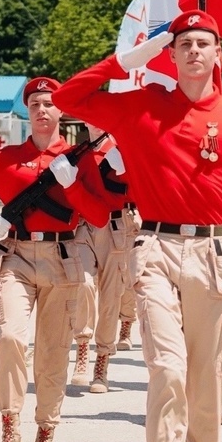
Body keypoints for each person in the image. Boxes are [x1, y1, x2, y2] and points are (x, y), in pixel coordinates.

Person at [53, 12, 222, 442]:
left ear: (219, 55)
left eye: (204, 44)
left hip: (216, 254)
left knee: (206, 386)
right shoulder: (140, 104)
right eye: (183, 44)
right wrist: (130, 58)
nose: (194, 51)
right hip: (155, 249)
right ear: (169, 56)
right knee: (167, 371)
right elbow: (71, 97)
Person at [0, 77, 108, 442]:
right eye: (35, 103)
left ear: (60, 113)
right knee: (10, 339)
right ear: (27, 111)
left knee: (53, 353)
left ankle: (44, 440)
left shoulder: (76, 157)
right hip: (17, 255)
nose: (42, 110)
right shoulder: (8, 157)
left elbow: (101, 214)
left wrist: (71, 185)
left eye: (50, 104)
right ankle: (9, 430)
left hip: (63, 256)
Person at [76, 124, 136, 393]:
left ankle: (102, 361)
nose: (95, 122)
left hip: (116, 227)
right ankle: (82, 347)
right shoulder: (76, 153)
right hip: (84, 227)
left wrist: (126, 169)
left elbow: (138, 192)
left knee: (112, 295)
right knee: (83, 284)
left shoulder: (122, 151)